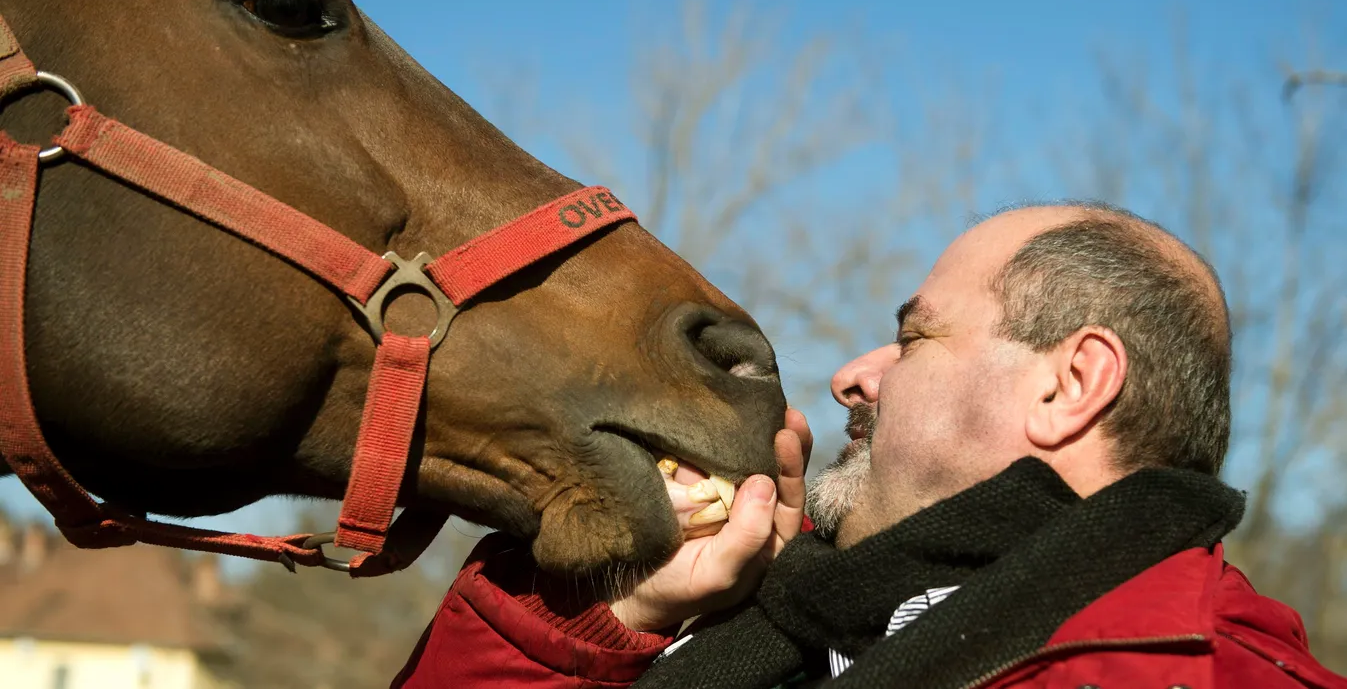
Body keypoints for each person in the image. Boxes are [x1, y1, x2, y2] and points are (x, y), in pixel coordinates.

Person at [392, 203, 1347, 688]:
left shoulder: (1198, 678)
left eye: (914, 337)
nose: (854, 375)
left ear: (1068, 387)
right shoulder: (777, 634)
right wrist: (599, 621)